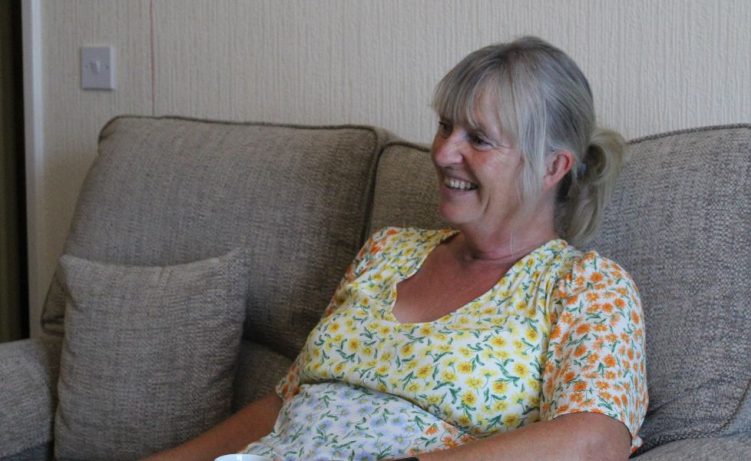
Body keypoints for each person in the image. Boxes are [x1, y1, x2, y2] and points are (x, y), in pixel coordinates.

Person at [145, 36, 647, 461]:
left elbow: (594, 438)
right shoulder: (387, 250)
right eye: (445, 126)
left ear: (552, 167)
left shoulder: (586, 286)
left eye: (479, 138)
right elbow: (286, 402)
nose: (444, 152)